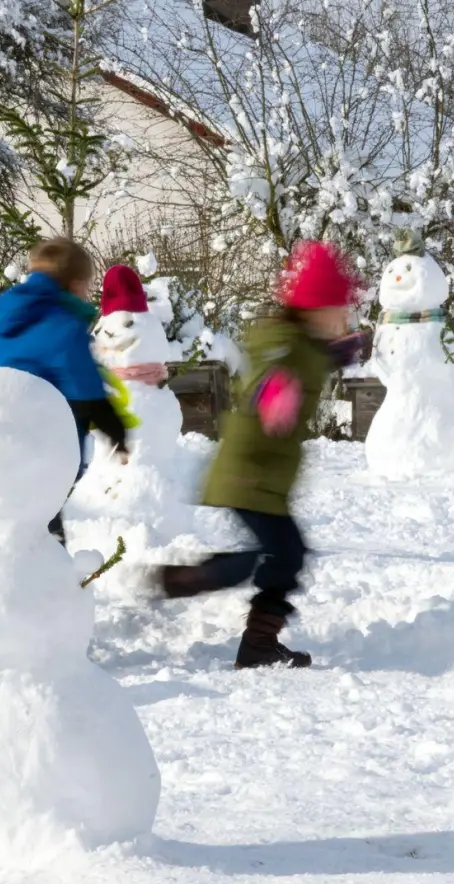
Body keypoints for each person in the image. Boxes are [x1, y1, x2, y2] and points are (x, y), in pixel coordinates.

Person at [151, 241, 368, 669]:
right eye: (337, 311)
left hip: (257, 476)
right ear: (312, 310)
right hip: (251, 474)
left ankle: (255, 641)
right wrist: (275, 400)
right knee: (282, 555)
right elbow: (274, 382)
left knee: (283, 555)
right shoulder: (288, 350)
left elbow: (303, 361)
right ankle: (203, 585)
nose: (343, 319)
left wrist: (335, 355)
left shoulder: (298, 344)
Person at [0, 237, 129, 544]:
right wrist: (117, 433)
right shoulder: (63, 328)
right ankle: (45, 580)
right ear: (76, 284)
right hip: (32, 456)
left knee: (0, 529)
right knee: (42, 534)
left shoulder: (6, 332)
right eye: (87, 285)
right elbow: (88, 393)